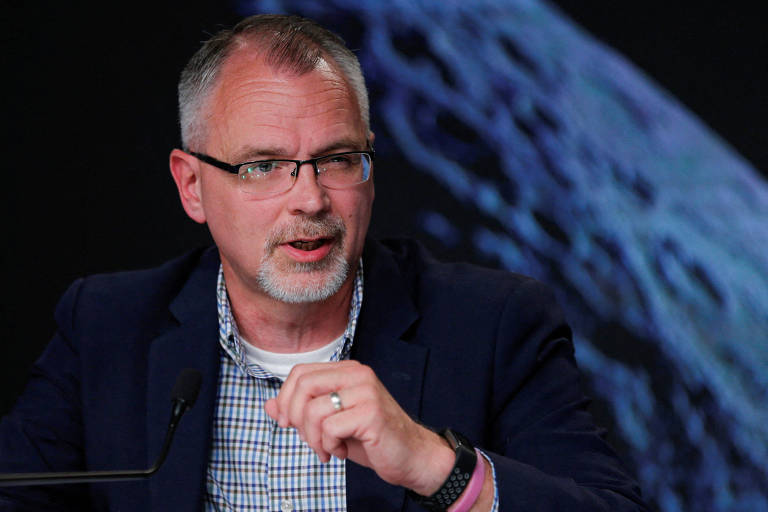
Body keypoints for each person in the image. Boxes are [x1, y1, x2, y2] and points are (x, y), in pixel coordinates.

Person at [0, 14, 648, 512]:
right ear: (192, 186)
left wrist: (434, 464)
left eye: (338, 159)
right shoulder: (106, 327)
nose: (311, 199)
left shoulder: (495, 325)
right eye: (264, 167)